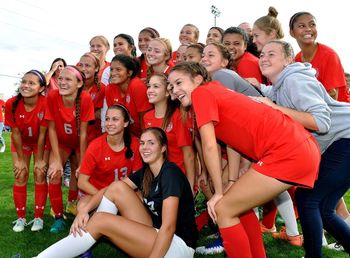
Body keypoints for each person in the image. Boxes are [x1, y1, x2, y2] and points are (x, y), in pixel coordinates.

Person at [168, 62, 320, 258]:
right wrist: (231, 182)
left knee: (223, 209)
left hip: (287, 151)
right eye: (171, 86)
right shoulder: (215, 91)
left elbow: (209, 146)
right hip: (297, 147)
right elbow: (235, 140)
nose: (175, 90)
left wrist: (218, 192)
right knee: (239, 206)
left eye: (179, 82)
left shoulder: (201, 93)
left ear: (198, 79)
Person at [35, 127, 198, 258]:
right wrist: (84, 210)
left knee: (100, 220)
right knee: (117, 187)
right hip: (156, 234)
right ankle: (90, 235)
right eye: (142, 143)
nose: (145, 148)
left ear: (163, 148)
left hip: (177, 246)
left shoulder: (170, 172)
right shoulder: (146, 172)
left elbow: (169, 227)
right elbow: (111, 189)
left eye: (151, 143)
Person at [256, 40, 350, 257]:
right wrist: (255, 87)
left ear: (289, 60)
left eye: (271, 54)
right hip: (342, 140)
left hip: (346, 137)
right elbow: (270, 92)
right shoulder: (281, 85)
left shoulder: (294, 80)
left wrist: (273, 107)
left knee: (308, 199)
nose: (264, 58)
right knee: (325, 209)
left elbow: (321, 122)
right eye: (261, 55)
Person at [45, 66, 94, 233]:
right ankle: (58, 217)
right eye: (61, 79)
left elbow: (84, 133)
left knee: (79, 173)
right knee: (54, 173)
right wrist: (57, 160)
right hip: (61, 142)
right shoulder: (52, 95)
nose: (62, 82)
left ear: (79, 84)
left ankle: (72, 203)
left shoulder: (85, 98)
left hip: (79, 142)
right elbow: (51, 128)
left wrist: (82, 163)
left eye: (68, 79)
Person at [4, 70, 48, 232]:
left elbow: (43, 134)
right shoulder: (11, 103)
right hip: (21, 143)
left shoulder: (45, 102)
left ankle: (38, 217)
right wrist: (21, 160)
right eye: (24, 82)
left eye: (31, 83)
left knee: (39, 172)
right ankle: (21, 217)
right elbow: (15, 133)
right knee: (20, 173)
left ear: (41, 88)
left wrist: (41, 159)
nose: (26, 85)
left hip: (40, 143)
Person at [77, 104, 142, 211]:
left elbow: (137, 180)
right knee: (82, 207)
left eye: (115, 119)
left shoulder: (136, 145)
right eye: (107, 119)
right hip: (97, 192)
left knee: (141, 200)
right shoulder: (95, 146)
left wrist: (119, 197)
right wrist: (105, 197)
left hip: (123, 193)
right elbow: (82, 182)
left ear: (125, 123)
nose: (109, 123)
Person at [144, 73, 195, 192]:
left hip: (177, 177)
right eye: (149, 86)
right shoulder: (147, 117)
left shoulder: (177, 116)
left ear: (167, 92)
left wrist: (189, 186)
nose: (150, 90)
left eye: (156, 86)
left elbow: (188, 155)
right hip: (158, 178)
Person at [289, 11, 349, 102]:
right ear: (292, 33)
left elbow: (333, 97)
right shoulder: (297, 61)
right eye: (301, 26)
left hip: (340, 111)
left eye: (312, 24)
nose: (308, 29)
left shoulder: (329, 55)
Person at [104, 54, 152, 137]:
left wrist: (144, 141)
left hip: (143, 133)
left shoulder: (136, 85)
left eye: (118, 70)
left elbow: (144, 119)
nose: (113, 73)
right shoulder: (109, 89)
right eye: (111, 69)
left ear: (129, 72)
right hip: (126, 134)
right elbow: (113, 118)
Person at [77, 52, 105, 143]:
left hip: (94, 136)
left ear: (96, 68)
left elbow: (98, 115)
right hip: (73, 134)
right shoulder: (73, 86)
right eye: (81, 65)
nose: (83, 69)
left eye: (88, 65)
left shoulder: (101, 88)